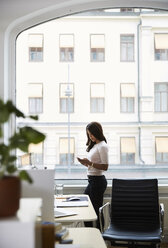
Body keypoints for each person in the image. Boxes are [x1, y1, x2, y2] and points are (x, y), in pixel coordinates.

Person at [77, 121, 109, 230]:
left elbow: (105, 167)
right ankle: (90, 232)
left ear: (97, 132)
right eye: (88, 135)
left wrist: (89, 163)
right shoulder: (95, 146)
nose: (90, 137)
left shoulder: (102, 146)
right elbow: (94, 166)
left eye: (91, 134)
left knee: (96, 210)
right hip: (92, 181)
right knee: (86, 208)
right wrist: (86, 163)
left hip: (98, 182)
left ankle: (98, 234)